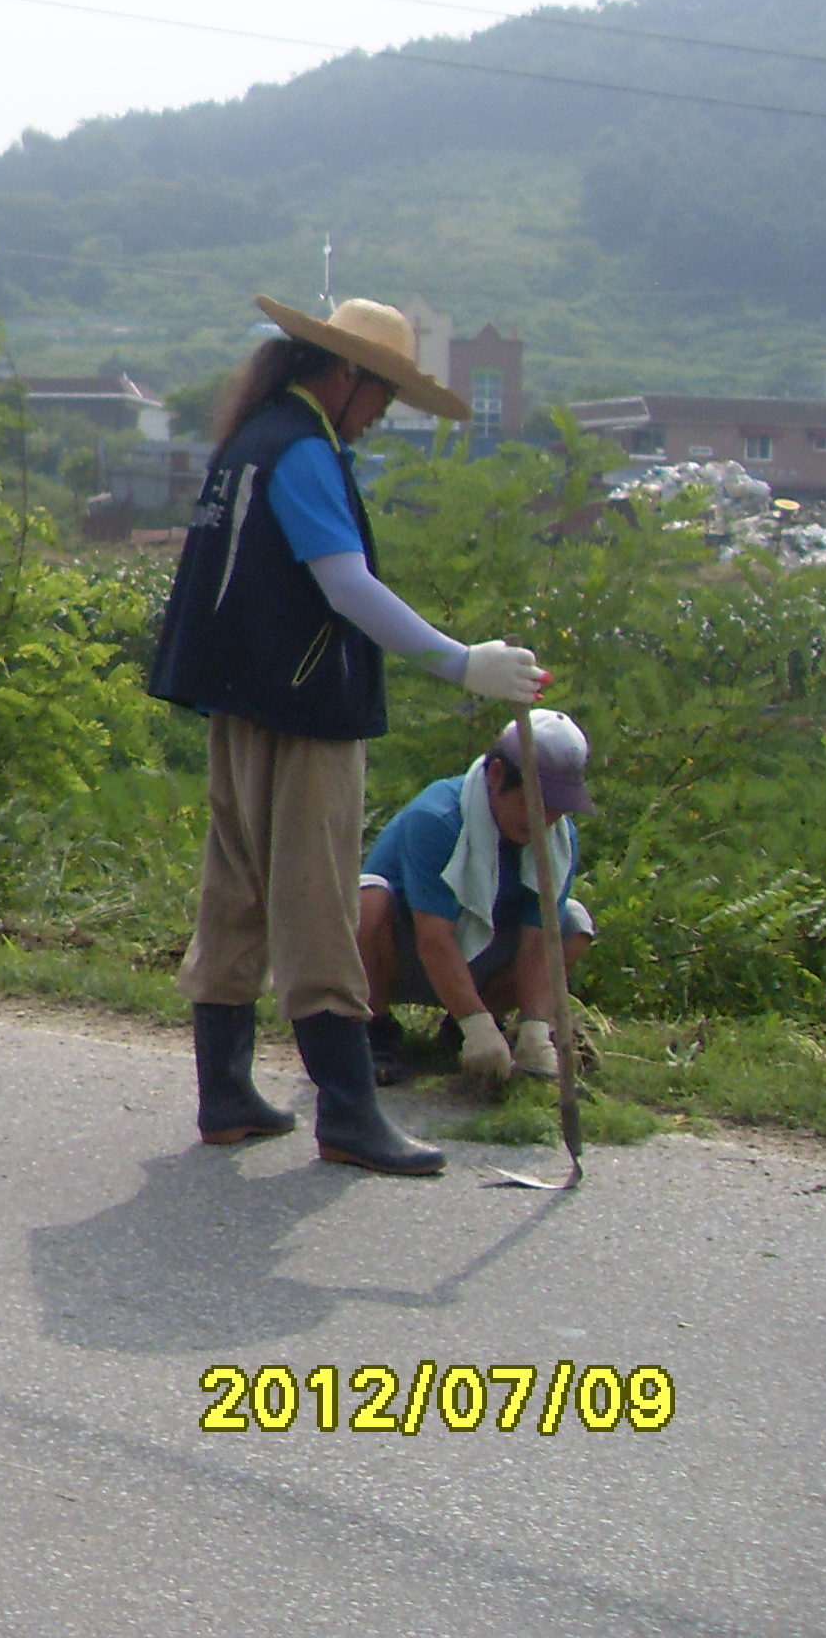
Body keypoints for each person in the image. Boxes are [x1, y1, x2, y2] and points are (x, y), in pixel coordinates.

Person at [148, 296, 547, 1176]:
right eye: (383, 394)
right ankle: (350, 1113)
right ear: (345, 374)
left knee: (237, 893)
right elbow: (347, 586)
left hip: (239, 704)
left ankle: (226, 1095)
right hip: (306, 710)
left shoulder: (250, 441)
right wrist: (462, 662)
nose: (381, 414)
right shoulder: (303, 449)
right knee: (319, 902)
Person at [360, 712, 596, 1088]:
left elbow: (539, 941)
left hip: (479, 958)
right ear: (496, 775)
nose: (546, 820)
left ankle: (463, 1031)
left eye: (557, 807)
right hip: (405, 954)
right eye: (535, 803)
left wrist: (536, 1027)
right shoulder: (436, 819)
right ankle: (374, 1028)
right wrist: (477, 1025)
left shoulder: (558, 839)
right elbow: (434, 940)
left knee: (573, 924)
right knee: (367, 899)